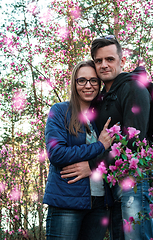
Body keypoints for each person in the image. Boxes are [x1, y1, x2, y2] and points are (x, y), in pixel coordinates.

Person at [61, 36, 153, 240]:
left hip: (133, 181)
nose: (104, 65)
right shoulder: (104, 97)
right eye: (98, 60)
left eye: (110, 59)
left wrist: (92, 165)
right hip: (113, 186)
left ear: (121, 60)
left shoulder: (133, 88)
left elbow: (132, 141)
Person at [44, 60, 114, 240]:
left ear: (99, 84)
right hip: (67, 201)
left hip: (99, 204)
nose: (88, 85)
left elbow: (114, 155)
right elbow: (57, 154)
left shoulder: (102, 118)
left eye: (93, 80)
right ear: (74, 83)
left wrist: (91, 166)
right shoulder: (60, 111)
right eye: (82, 80)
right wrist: (98, 146)